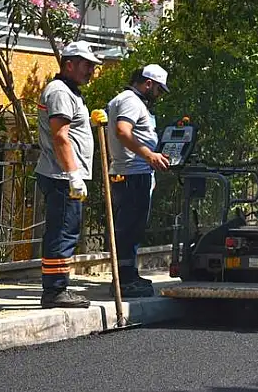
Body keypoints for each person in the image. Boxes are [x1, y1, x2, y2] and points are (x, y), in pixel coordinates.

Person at [35, 41, 102, 308]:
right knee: (62, 233)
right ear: (69, 64)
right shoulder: (61, 92)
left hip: (63, 175)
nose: (91, 72)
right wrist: (73, 174)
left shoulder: (70, 92)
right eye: (87, 66)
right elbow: (61, 136)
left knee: (65, 231)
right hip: (62, 177)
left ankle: (57, 288)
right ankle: (55, 291)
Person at [106, 64, 172, 297]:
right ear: (148, 83)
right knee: (130, 228)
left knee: (129, 228)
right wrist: (149, 155)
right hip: (133, 174)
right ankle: (124, 280)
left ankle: (127, 274)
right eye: (159, 90)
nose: (159, 96)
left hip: (131, 173)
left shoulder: (123, 100)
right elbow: (123, 131)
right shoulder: (131, 101)